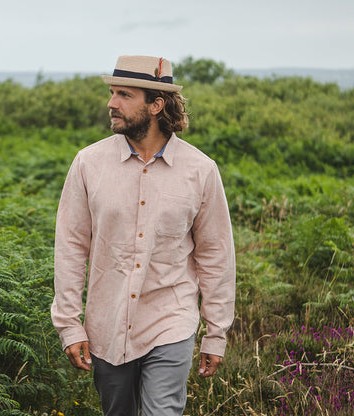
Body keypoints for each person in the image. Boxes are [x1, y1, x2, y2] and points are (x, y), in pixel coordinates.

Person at [51, 55, 236, 416]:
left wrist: (216, 333)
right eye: (112, 93)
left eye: (124, 95)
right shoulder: (88, 163)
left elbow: (216, 255)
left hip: (171, 320)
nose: (112, 103)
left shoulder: (201, 170)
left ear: (156, 105)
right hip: (107, 322)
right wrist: (69, 325)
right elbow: (70, 248)